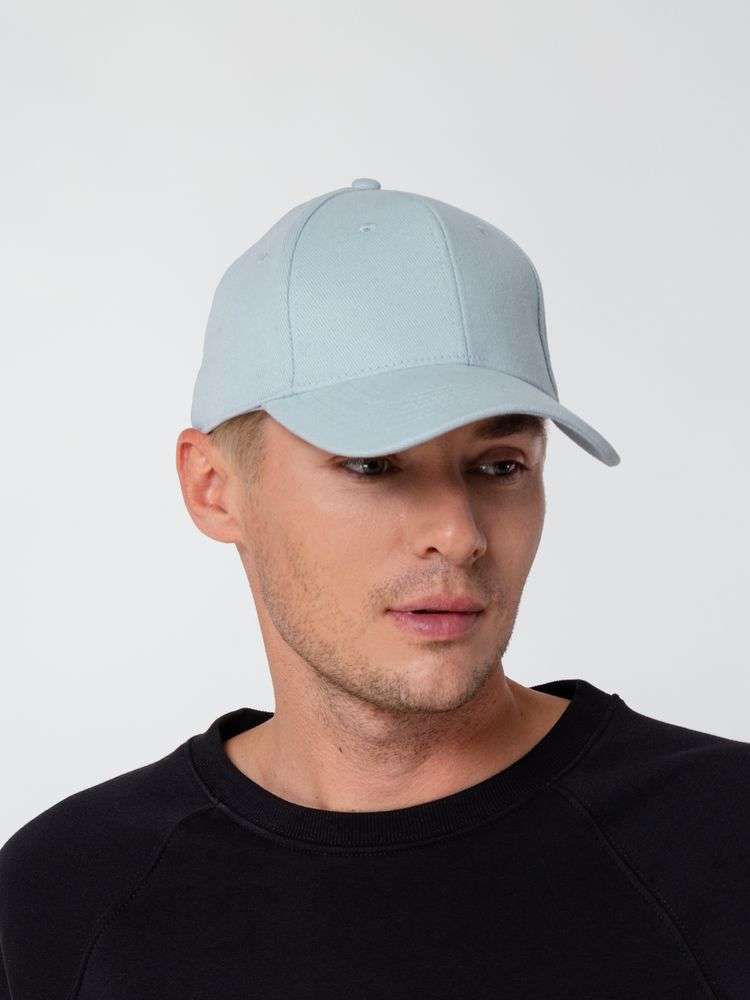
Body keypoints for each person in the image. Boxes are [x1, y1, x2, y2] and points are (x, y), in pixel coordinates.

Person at [1, 178, 747, 999]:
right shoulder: (65, 894)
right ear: (214, 489)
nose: (459, 533)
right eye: (372, 464)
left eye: (500, 466)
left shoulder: (723, 844)